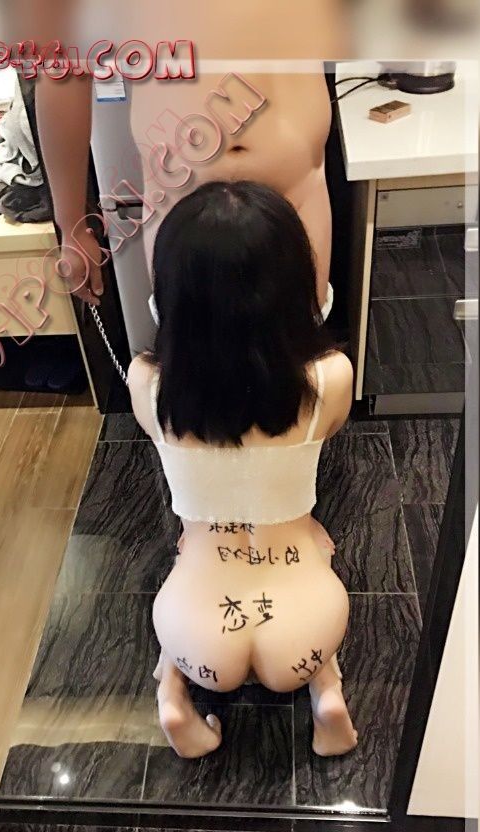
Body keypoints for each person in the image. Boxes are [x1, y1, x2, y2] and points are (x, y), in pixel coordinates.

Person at [128, 180, 357, 759]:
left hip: (196, 637)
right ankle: (326, 692)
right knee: (314, 548)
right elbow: (318, 434)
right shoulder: (331, 377)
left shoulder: (146, 383)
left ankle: (173, 694)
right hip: (306, 628)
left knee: (188, 561)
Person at [13, 0, 350, 341]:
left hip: (295, 192)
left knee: (298, 356)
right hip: (179, 206)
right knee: (191, 360)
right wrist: (70, 225)